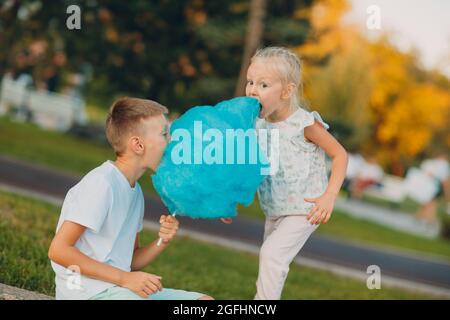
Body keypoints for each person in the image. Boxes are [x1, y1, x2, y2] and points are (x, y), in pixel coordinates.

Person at [48, 97, 213, 300]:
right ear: (138, 145)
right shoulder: (102, 184)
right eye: (164, 134)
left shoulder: (135, 193)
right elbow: (59, 250)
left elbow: (130, 261)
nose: (171, 141)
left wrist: (163, 240)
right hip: (87, 293)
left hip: (119, 289)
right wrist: (125, 279)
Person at [223, 47, 348, 299]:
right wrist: (231, 199)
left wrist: (330, 195)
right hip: (275, 209)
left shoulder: (303, 123)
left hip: (306, 208)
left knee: (272, 255)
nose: (252, 90)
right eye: (250, 82)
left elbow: (340, 155)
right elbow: (249, 166)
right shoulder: (257, 125)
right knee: (271, 262)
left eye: (264, 84)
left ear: (287, 91)